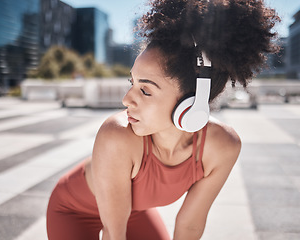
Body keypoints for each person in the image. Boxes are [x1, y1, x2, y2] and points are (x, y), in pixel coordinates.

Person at [46, 0, 280, 239]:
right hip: (72, 209)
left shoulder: (223, 146)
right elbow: (114, 234)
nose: (127, 100)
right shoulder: (116, 135)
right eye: (132, 83)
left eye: (145, 90)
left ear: (192, 104)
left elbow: (189, 225)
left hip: (134, 211)